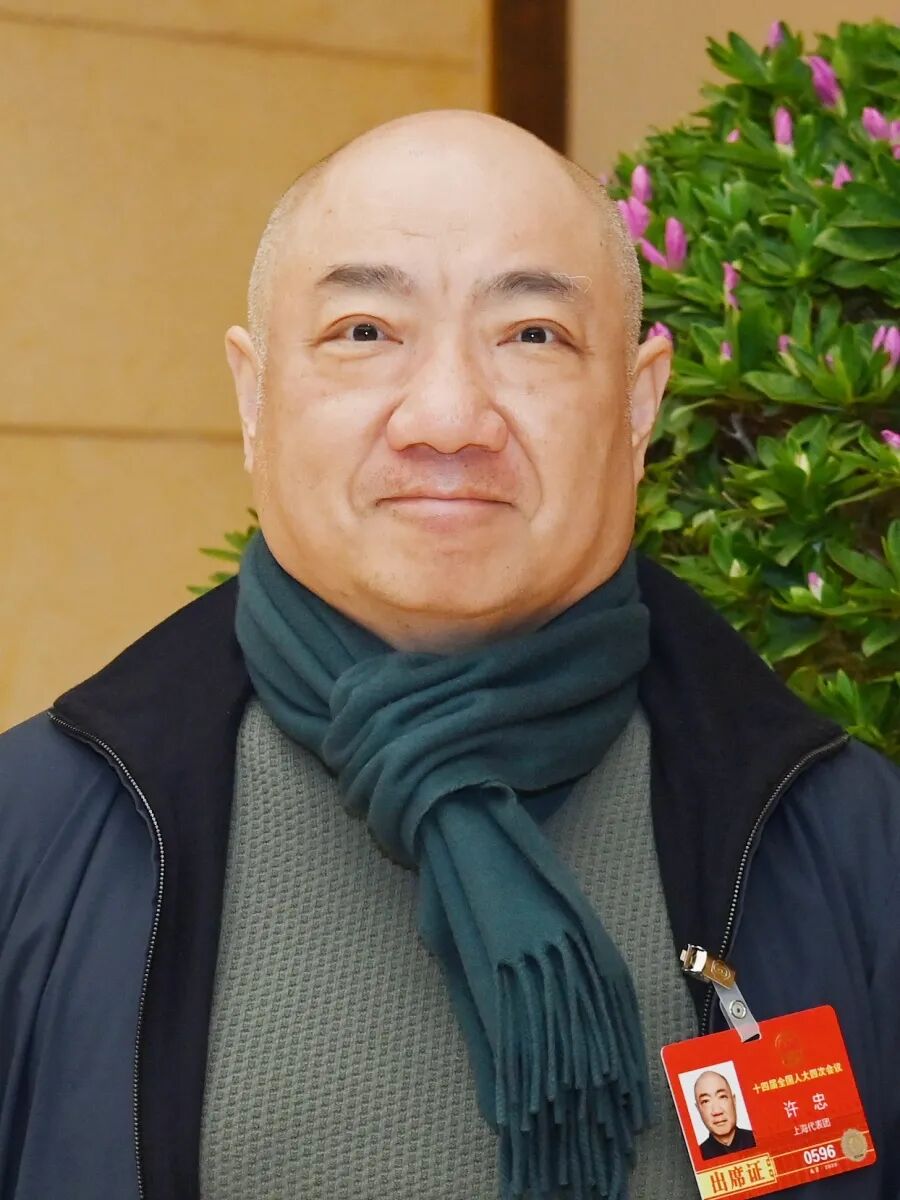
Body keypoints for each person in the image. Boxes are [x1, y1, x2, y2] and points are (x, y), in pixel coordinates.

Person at [0, 109, 898, 1200]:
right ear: (253, 397)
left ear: (638, 406)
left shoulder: (844, 841)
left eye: (533, 336)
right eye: (364, 332)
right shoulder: (35, 834)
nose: (447, 416)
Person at [693, 1071, 756, 1160]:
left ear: (734, 1101)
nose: (717, 1111)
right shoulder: (697, 1157)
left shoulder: (758, 1139)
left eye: (722, 1097)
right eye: (705, 1101)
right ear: (698, 1109)